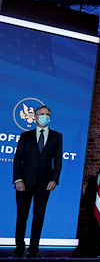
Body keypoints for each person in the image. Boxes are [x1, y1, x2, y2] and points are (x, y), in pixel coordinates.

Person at [12, 105, 63, 258]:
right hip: (24, 183)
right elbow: (17, 160)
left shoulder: (57, 136)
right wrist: (18, 179)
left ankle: (33, 249)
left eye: (47, 114)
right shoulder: (25, 136)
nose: (45, 116)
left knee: (38, 217)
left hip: (44, 183)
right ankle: (19, 248)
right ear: (35, 117)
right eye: (42, 114)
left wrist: (54, 179)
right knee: (21, 216)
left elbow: (58, 161)